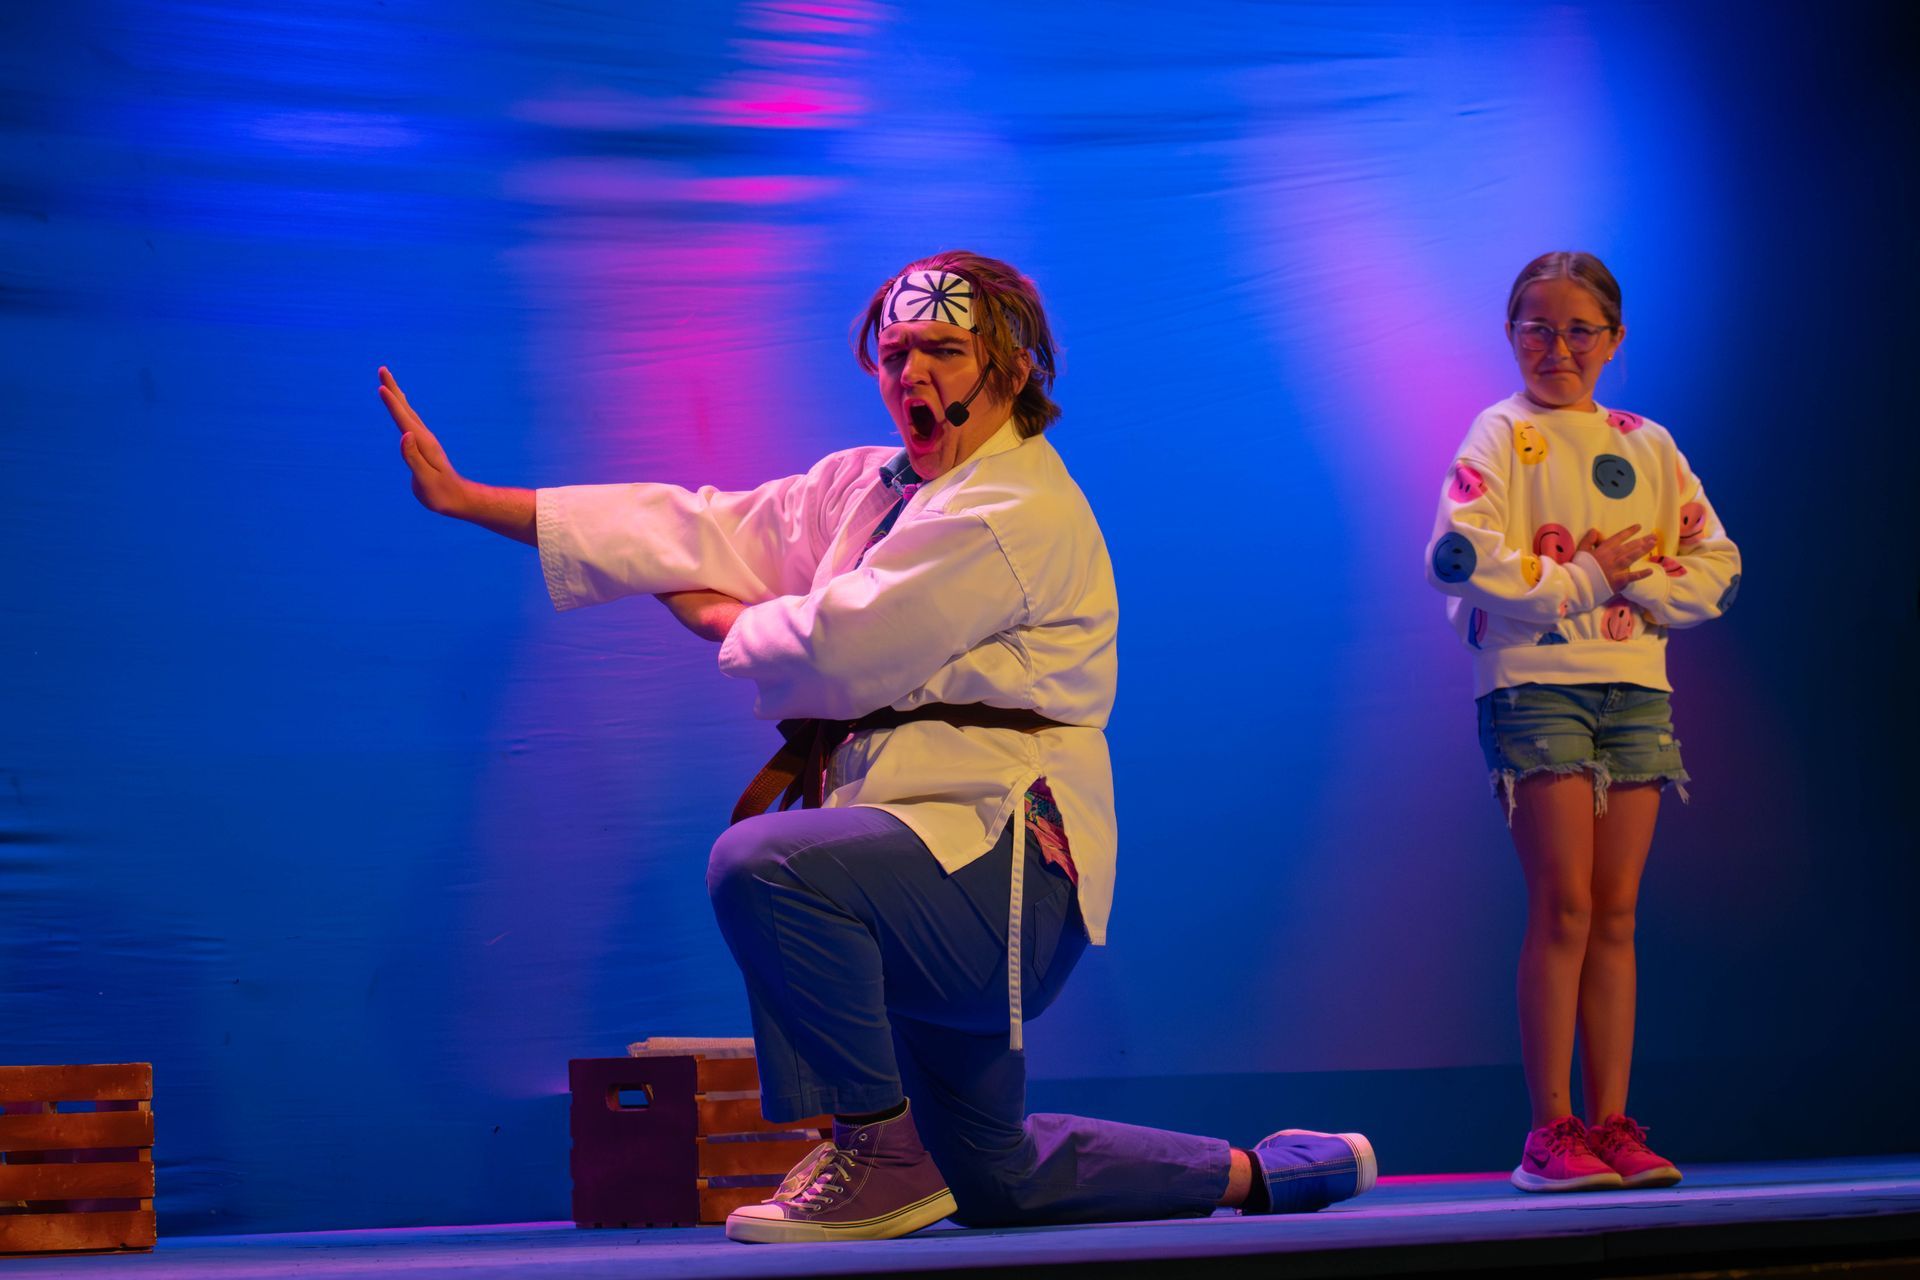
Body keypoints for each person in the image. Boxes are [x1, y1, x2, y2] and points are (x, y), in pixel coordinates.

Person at [381, 250, 1375, 1242]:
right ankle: (1273, 1171)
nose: (913, 375)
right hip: (917, 861)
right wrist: (472, 499)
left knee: (763, 865)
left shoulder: (1011, 511)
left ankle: (874, 1146)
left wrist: (724, 613)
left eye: (944, 348)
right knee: (997, 1174)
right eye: (897, 352)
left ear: (1014, 368)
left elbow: (842, 647)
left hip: (998, 866)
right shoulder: (867, 488)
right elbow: (699, 525)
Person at [1425, 252, 1741, 1193]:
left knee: (1615, 910)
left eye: (1578, 330)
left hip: (1636, 689)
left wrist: (1642, 581)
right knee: (1562, 905)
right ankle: (1550, 1131)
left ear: (1614, 340)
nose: (1556, 347)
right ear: (1511, 331)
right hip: (1536, 688)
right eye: (1535, 326)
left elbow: (1716, 562)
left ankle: (1613, 1123)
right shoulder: (1499, 435)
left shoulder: (1646, 443)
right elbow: (1458, 561)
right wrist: (1588, 578)